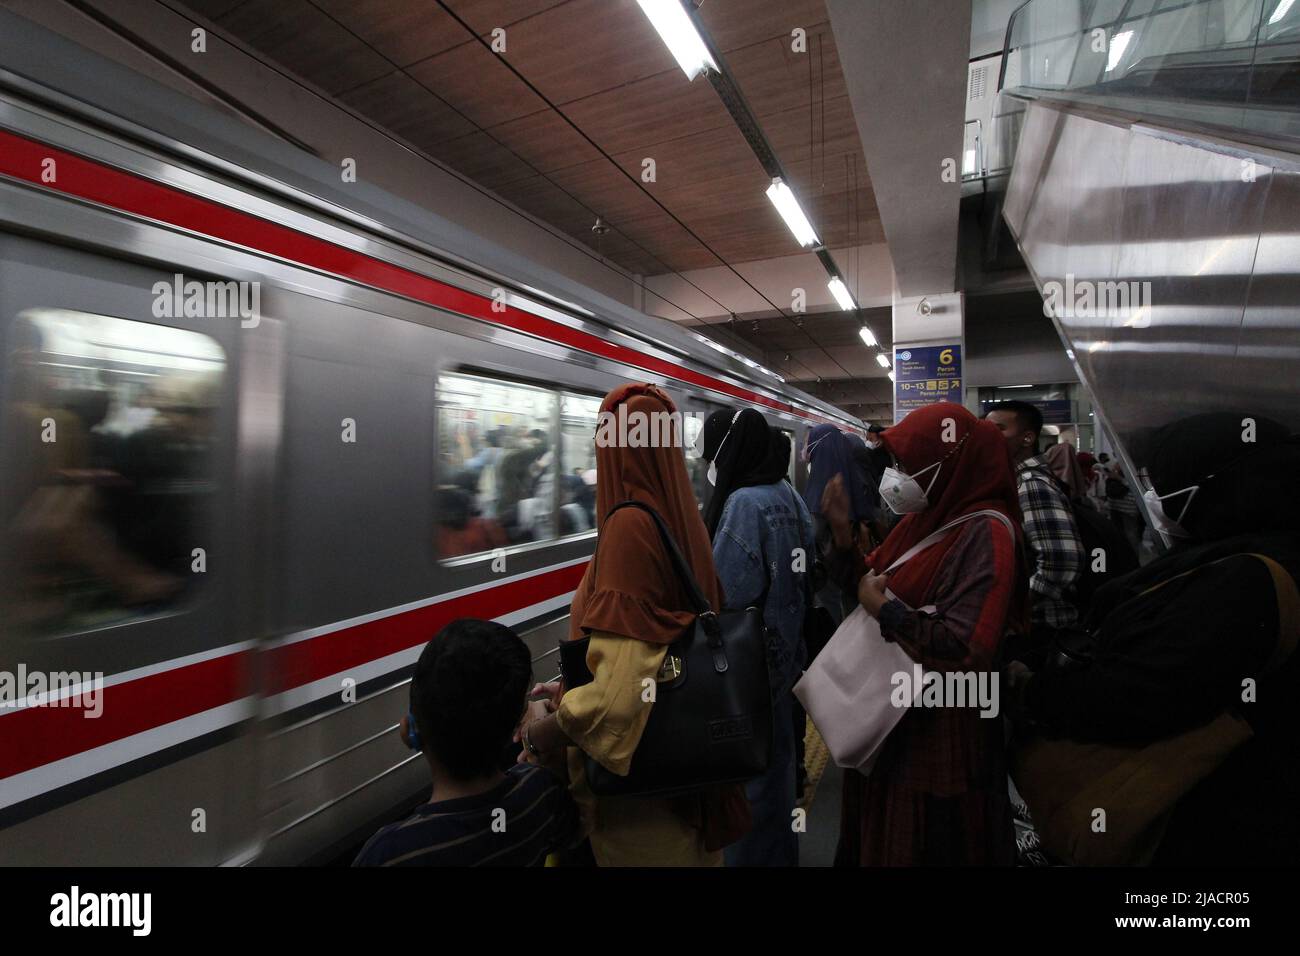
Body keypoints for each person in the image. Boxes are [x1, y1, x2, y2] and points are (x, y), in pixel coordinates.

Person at [1008, 414, 1300, 865]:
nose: (1155, 496)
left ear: (1219, 486)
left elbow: (1135, 694)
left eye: (1164, 482)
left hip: (1196, 817)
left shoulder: (1245, 579)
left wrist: (1030, 689)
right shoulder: (1248, 549)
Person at [515, 383, 750, 866]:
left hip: (639, 811)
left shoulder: (628, 530)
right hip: (685, 786)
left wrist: (544, 734)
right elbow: (652, 650)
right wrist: (568, 687)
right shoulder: (684, 522)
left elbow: (620, 698)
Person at [821, 402, 1029, 865]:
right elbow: (869, 580)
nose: (899, 474)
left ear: (947, 464)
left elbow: (965, 649)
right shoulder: (924, 520)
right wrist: (841, 539)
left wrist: (886, 610)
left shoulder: (988, 533)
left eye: (908, 464)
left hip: (938, 733)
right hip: (893, 719)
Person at [353, 619, 581, 866]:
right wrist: (539, 731)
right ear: (513, 730)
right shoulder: (539, 794)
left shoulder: (389, 853)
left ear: (410, 729)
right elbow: (568, 832)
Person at [699, 409, 815, 867]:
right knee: (777, 785)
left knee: (749, 796)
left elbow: (724, 591)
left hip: (750, 673)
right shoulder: (787, 492)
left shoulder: (745, 504)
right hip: (787, 663)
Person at [985, 401, 1084, 659]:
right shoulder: (1020, 480)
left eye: (998, 429)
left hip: (1041, 628)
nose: (988, 437)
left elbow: (1061, 562)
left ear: (1027, 437)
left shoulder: (1031, 485)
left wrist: (1010, 607)